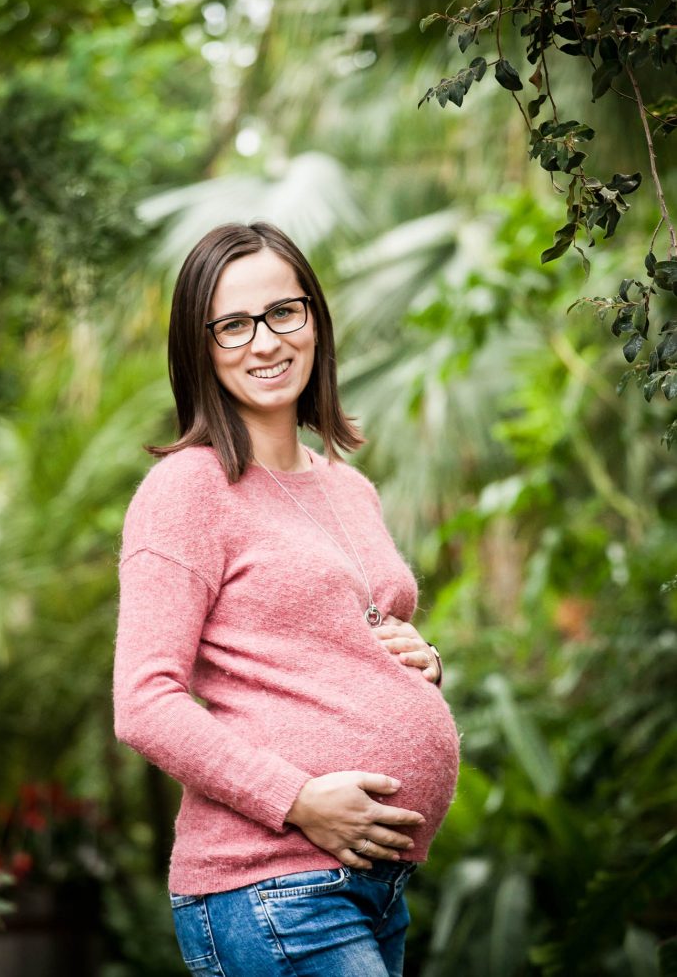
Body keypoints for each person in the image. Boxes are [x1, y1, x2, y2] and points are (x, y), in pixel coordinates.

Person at [113, 222, 460, 977]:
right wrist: (296, 797)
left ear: (314, 319)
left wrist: (420, 663)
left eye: (283, 312)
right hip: (268, 883)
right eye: (233, 325)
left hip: (372, 882)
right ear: (198, 347)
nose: (265, 342)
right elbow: (144, 701)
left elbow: (339, 639)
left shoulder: (347, 485)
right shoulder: (187, 490)